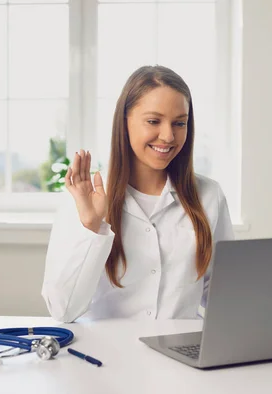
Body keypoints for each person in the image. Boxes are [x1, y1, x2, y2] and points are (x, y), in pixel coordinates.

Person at [41, 65, 234, 323]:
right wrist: (91, 226)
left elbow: (223, 297)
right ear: (125, 122)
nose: (168, 136)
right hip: (107, 358)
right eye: (153, 121)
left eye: (180, 123)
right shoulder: (82, 198)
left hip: (181, 358)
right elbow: (63, 311)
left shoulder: (210, 196)